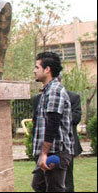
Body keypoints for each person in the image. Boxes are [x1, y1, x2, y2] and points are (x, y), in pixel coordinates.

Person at [31, 52, 74, 192]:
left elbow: (53, 123)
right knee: (38, 185)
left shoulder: (55, 91)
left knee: (55, 189)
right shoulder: (47, 91)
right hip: (49, 151)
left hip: (56, 152)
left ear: (47, 69)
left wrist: (44, 154)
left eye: (37, 67)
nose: (34, 70)